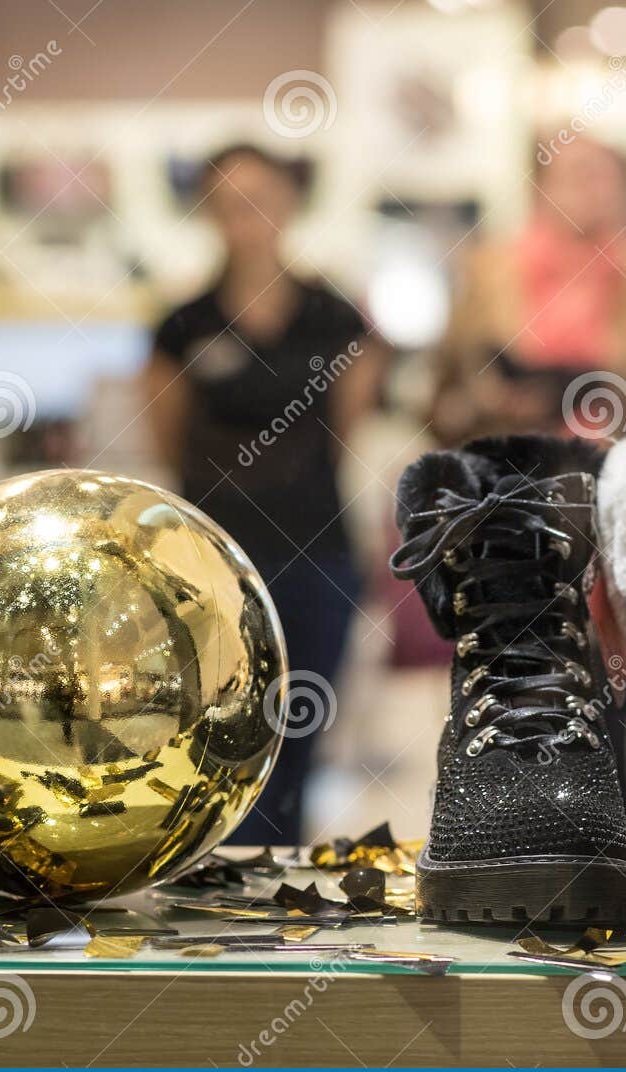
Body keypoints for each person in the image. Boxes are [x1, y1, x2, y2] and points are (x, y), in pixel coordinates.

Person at [142, 143, 387, 845]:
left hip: (316, 552)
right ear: (208, 213)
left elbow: (347, 432)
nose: (247, 216)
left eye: (262, 197)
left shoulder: (336, 320)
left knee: (299, 736)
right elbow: (167, 440)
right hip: (212, 564)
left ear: (289, 205)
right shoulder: (182, 325)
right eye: (228, 200)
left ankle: (281, 890)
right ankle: (215, 879)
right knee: (218, 734)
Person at [430, 135, 626, 445]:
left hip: (616, 462)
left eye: (604, 177)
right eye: (578, 175)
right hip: (505, 462)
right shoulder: (487, 273)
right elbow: (446, 385)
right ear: (541, 186)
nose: (592, 189)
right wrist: (488, 401)